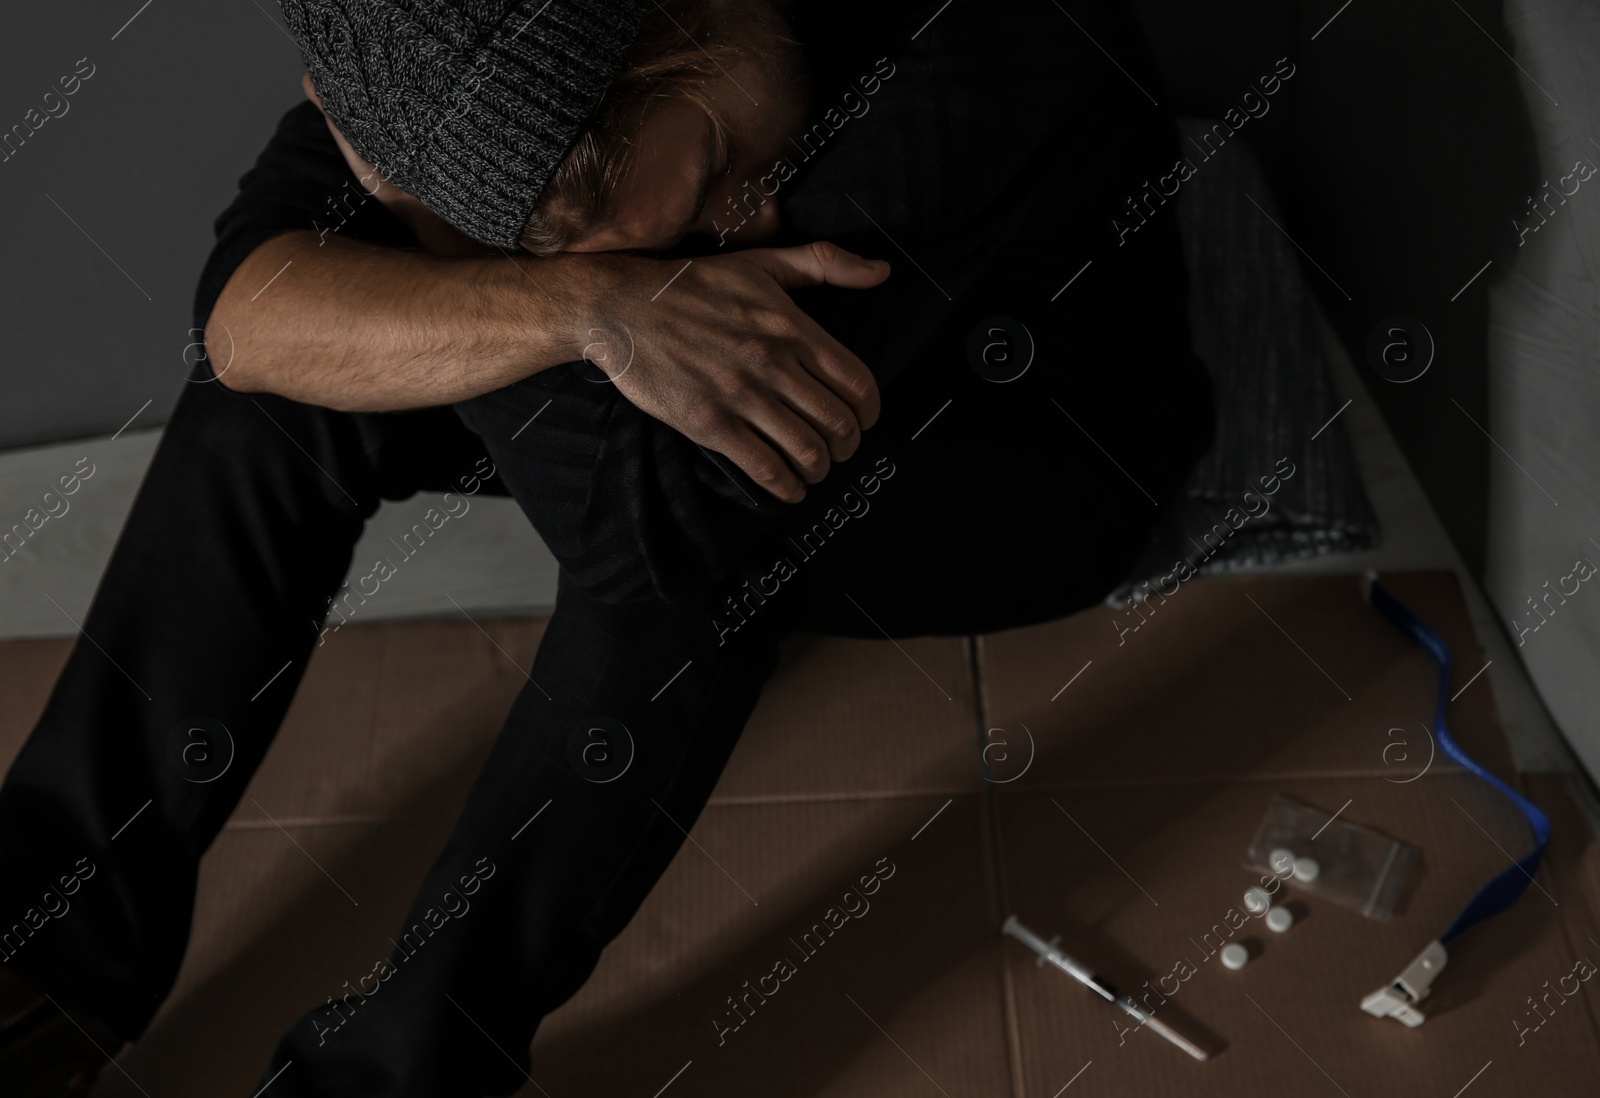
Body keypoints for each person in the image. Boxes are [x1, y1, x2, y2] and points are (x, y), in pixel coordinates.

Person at [0, 0, 1214, 1094]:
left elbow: (658, 526)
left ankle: (391, 1081)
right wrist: (580, 307)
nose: (749, 220)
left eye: (717, 168)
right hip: (680, 446)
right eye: (654, 242)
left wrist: (454, 255)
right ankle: (37, 967)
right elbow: (245, 322)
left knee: (706, 542)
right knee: (282, 396)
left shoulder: (987, 44)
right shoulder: (467, 60)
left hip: (1024, 454)